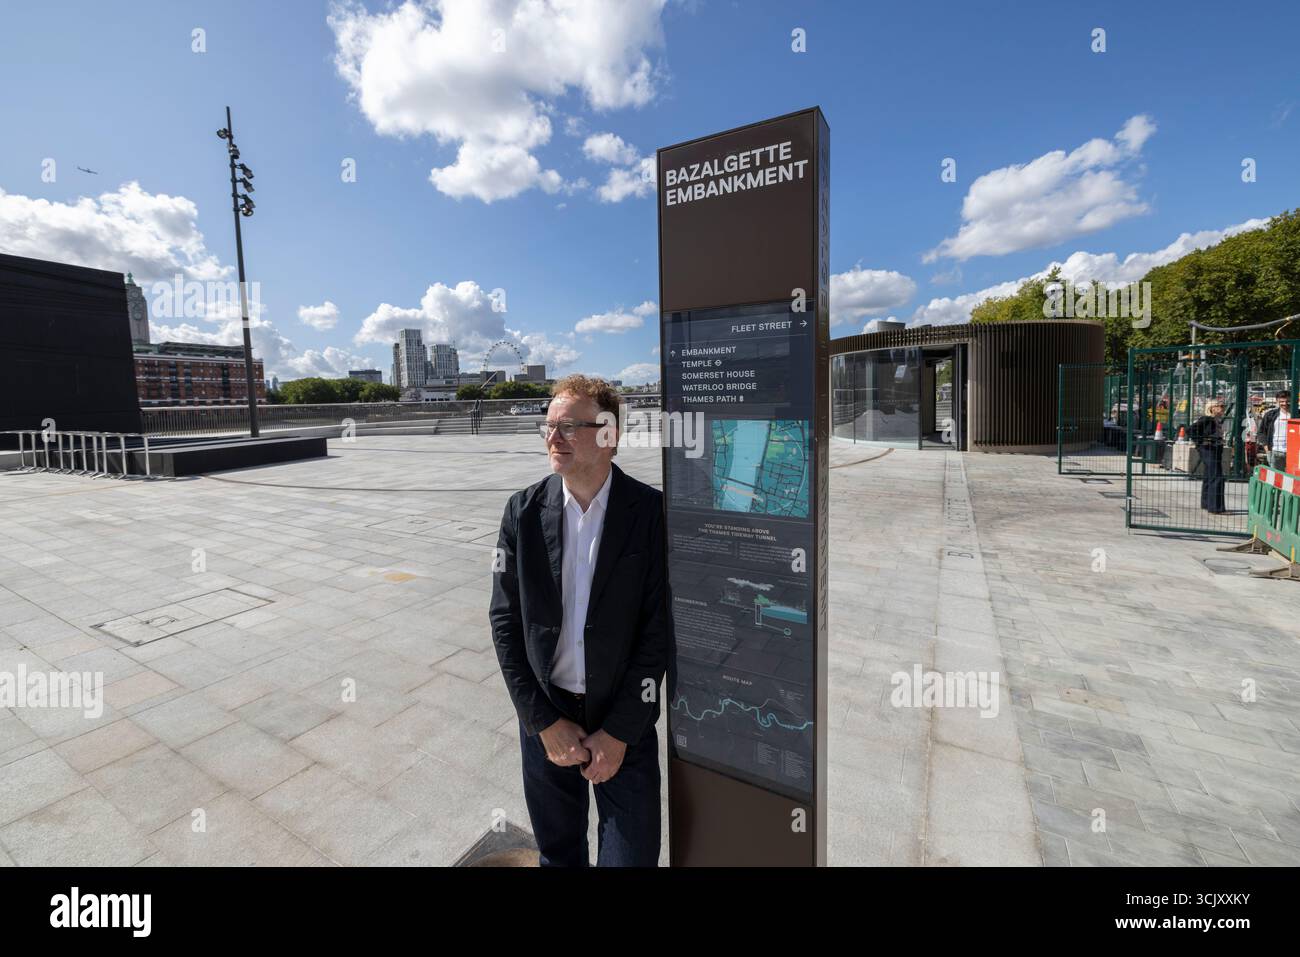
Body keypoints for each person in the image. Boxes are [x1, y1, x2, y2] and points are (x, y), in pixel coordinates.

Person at [489, 373, 669, 867]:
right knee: (559, 856)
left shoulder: (650, 513)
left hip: (623, 724)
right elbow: (505, 623)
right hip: (548, 720)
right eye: (549, 426)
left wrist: (619, 733)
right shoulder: (522, 512)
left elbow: (659, 634)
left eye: (569, 426)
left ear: (609, 434)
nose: (553, 437)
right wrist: (543, 723)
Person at [1190, 398, 1226, 514]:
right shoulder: (1207, 419)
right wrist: (1201, 442)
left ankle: (1206, 503)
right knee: (1216, 476)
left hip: (1215, 449)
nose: (1222, 408)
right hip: (1208, 449)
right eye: (1220, 406)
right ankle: (1215, 507)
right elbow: (1190, 430)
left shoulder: (1215, 420)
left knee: (1209, 475)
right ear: (1212, 408)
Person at [1258, 390, 1290, 470]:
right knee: (1277, 479)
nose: (1285, 404)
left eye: (1287, 401)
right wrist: (1266, 448)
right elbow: (1261, 432)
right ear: (1277, 401)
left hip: (1293, 452)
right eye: (1282, 401)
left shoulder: (1297, 414)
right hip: (1275, 451)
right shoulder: (1270, 415)